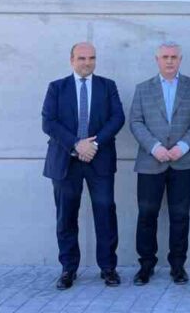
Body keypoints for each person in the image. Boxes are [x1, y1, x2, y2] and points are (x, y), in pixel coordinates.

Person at [41, 42, 125, 290]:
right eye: (82, 58)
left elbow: (117, 118)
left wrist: (93, 144)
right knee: (66, 216)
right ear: (72, 60)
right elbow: (48, 122)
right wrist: (77, 145)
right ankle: (68, 269)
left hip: (100, 159)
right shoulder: (57, 87)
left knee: (105, 213)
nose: (87, 62)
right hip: (66, 161)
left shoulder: (107, 86)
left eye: (91, 58)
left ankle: (108, 268)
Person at [129, 41, 190, 286]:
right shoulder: (143, 89)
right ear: (157, 60)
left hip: (183, 162)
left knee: (180, 216)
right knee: (147, 215)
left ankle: (178, 266)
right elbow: (136, 121)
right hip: (150, 162)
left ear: (180, 59)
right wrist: (155, 147)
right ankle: (146, 266)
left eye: (174, 57)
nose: (170, 61)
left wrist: (183, 146)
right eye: (165, 57)